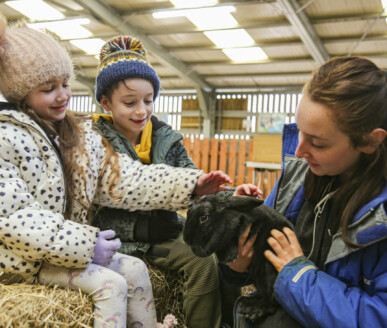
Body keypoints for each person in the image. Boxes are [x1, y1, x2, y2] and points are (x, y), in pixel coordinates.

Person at [0, 18, 232, 328]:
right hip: (24, 261)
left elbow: (126, 179)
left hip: (66, 252)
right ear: (21, 91)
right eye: (48, 88)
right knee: (113, 285)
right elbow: (17, 218)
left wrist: (191, 184)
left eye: (66, 84)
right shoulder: (6, 138)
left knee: (135, 271)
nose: (62, 95)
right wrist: (84, 246)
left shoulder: (77, 136)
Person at [90, 35, 262, 328]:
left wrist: (233, 196)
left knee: (224, 246)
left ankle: (231, 321)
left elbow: (196, 183)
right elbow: (96, 204)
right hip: (123, 241)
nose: (141, 110)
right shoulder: (93, 142)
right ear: (106, 102)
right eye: (129, 102)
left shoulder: (165, 138)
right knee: (201, 260)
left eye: (148, 100)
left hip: (166, 230)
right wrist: (142, 227)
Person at [220, 56, 387, 327]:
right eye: (299, 132)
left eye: (318, 143)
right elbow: (261, 264)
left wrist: (299, 276)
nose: (298, 151)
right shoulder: (298, 175)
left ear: (369, 142)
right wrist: (237, 260)